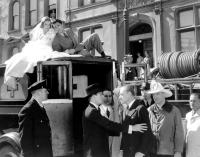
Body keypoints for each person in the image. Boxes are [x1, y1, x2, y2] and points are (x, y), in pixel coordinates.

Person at [82, 83, 147, 157]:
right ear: (94, 96)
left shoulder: (94, 110)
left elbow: (105, 129)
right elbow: (108, 124)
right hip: (95, 153)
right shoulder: (91, 112)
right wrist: (131, 128)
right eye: (100, 95)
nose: (103, 97)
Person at [4, 16, 56, 90]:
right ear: (42, 24)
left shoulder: (51, 32)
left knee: (41, 56)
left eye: (48, 24)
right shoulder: (39, 31)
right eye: (46, 24)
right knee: (23, 58)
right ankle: (14, 76)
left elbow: (50, 41)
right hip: (39, 46)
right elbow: (35, 40)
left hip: (47, 47)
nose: (47, 26)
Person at [147, 80, 184, 157]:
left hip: (168, 151)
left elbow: (179, 133)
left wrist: (178, 151)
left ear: (163, 94)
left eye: (157, 94)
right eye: (153, 94)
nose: (155, 96)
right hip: (151, 151)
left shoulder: (174, 111)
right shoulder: (149, 110)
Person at [18, 80, 53, 157]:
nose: (48, 93)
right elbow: (25, 139)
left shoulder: (40, 107)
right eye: (45, 91)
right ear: (39, 92)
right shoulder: (28, 110)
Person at [119, 84, 154, 157]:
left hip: (137, 153)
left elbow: (147, 133)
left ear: (129, 94)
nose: (120, 97)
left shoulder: (141, 109)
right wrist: (122, 149)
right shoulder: (125, 110)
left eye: (122, 95)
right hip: (127, 152)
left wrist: (142, 151)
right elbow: (124, 131)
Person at [100, 89, 115, 156]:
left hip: (114, 143)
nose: (108, 98)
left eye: (110, 96)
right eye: (105, 96)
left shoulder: (116, 110)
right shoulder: (95, 110)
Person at [185, 93, 200, 157]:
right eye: (191, 101)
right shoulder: (188, 115)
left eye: (194, 101)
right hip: (188, 151)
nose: (192, 103)